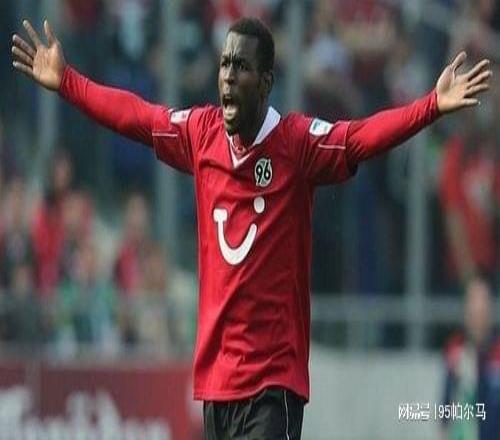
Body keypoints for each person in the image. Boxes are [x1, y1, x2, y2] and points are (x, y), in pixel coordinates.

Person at [11, 17, 491, 439]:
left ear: (265, 83)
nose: (227, 75)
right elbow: (137, 116)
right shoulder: (201, 134)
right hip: (217, 383)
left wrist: (431, 104)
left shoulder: (297, 144)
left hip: (272, 383)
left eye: (240, 67)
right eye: (224, 64)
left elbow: (360, 138)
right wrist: (67, 81)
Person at [441, 278, 500, 439]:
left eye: (482, 308)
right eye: (472, 306)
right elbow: (446, 407)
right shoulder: (455, 349)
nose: (477, 314)